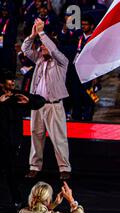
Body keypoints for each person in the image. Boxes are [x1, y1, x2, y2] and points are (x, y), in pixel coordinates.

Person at [22, 18, 71, 180]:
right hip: (37, 105)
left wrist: (42, 33)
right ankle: (35, 166)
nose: (41, 47)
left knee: (59, 138)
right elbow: (25, 48)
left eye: (44, 45)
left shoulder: (61, 62)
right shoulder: (39, 60)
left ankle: (64, 168)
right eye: (41, 45)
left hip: (53, 105)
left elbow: (53, 49)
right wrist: (33, 35)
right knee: (36, 135)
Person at [0, 70, 45, 210]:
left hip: (11, 142)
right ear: (1, 83)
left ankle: (17, 199)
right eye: (9, 80)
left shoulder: (17, 96)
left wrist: (29, 101)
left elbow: (40, 101)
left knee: (11, 171)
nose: (13, 82)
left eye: (13, 80)